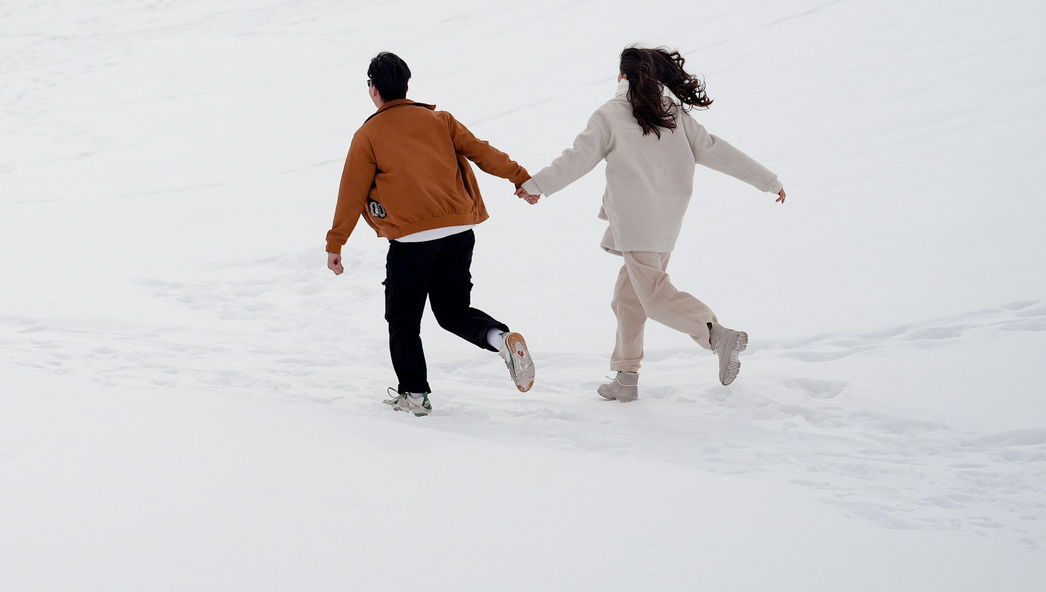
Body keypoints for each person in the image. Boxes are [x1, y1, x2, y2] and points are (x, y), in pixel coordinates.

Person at [518, 46, 784, 402]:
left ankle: (716, 335)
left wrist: (537, 185)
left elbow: (577, 159)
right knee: (628, 299)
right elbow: (720, 151)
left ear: (622, 76)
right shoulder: (674, 115)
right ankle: (626, 377)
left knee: (655, 298)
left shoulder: (610, 114)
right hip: (666, 223)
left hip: (635, 223)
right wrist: (769, 181)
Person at [326, 51, 538, 416]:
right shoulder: (440, 120)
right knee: (453, 310)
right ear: (407, 86)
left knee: (403, 321)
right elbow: (483, 152)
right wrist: (520, 177)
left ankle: (414, 394)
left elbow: (352, 192)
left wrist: (336, 243)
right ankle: (499, 339)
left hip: (411, 243)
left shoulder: (368, 135)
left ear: (373, 90)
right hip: (459, 231)